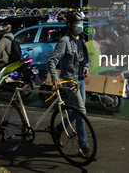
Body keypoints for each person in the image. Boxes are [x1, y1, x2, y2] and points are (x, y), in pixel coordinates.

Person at [48, 11, 92, 159]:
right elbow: (52, 61)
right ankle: (83, 146)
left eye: (80, 23)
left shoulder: (81, 38)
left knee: (77, 111)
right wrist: (55, 78)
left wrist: (85, 68)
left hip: (80, 80)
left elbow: (84, 57)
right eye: (76, 23)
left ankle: (58, 129)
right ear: (69, 25)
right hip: (69, 81)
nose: (79, 25)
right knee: (81, 112)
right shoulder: (64, 41)